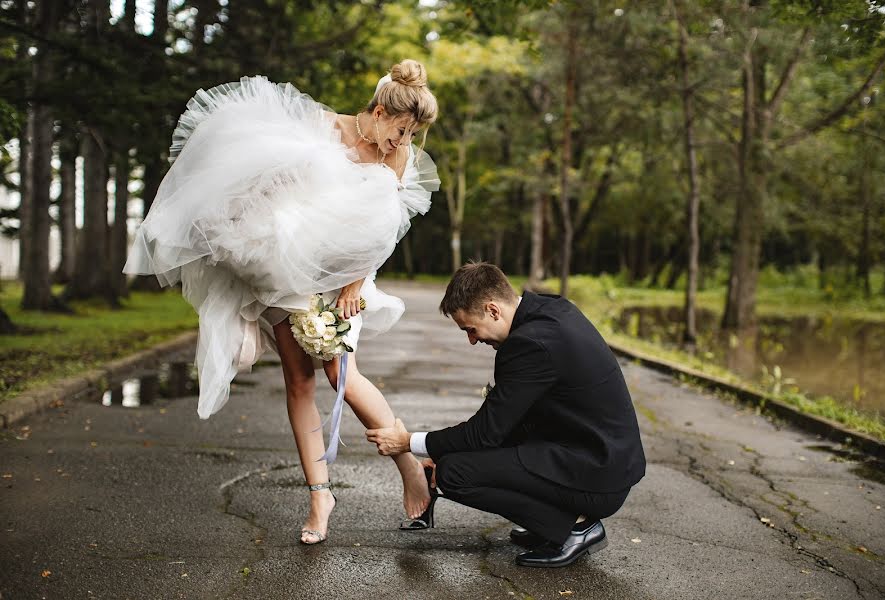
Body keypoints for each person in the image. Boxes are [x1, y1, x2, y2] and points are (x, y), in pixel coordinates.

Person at [124, 59, 440, 544]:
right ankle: (320, 495)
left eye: (412, 135)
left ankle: (408, 466)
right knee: (298, 380)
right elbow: (262, 183)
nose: (403, 145)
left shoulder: (397, 158)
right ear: (378, 112)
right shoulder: (323, 127)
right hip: (284, 266)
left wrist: (356, 283)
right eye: (399, 132)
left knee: (340, 374)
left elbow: (383, 230)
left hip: (342, 275)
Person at [366, 262, 646, 567]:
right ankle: (552, 525)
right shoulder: (551, 310)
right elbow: (509, 421)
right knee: (456, 460)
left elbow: (485, 433)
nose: (472, 340)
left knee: (454, 474)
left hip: (596, 475)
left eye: (470, 329)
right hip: (599, 458)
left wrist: (408, 442)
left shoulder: (529, 344)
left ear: (493, 310)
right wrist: (446, 447)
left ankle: (574, 528)